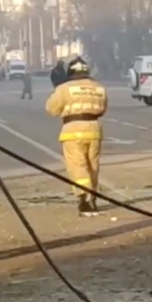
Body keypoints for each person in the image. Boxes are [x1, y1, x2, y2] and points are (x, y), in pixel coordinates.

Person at [45, 56, 108, 216]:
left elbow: (51, 109)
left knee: (77, 165)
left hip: (72, 129)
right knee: (93, 165)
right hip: (94, 129)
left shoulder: (64, 88)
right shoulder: (99, 87)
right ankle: (93, 196)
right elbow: (102, 109)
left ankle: (84, 198)